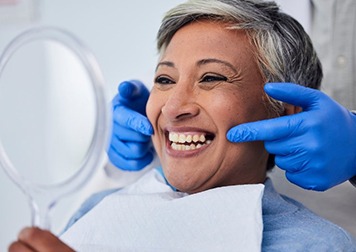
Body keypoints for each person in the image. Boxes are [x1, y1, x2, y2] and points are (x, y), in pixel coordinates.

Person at [9, 0, 356, 251]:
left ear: (284, 112)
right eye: (163, 79)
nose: (173, 107)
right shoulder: (97, 210)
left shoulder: (314, 244)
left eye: (211, 77)